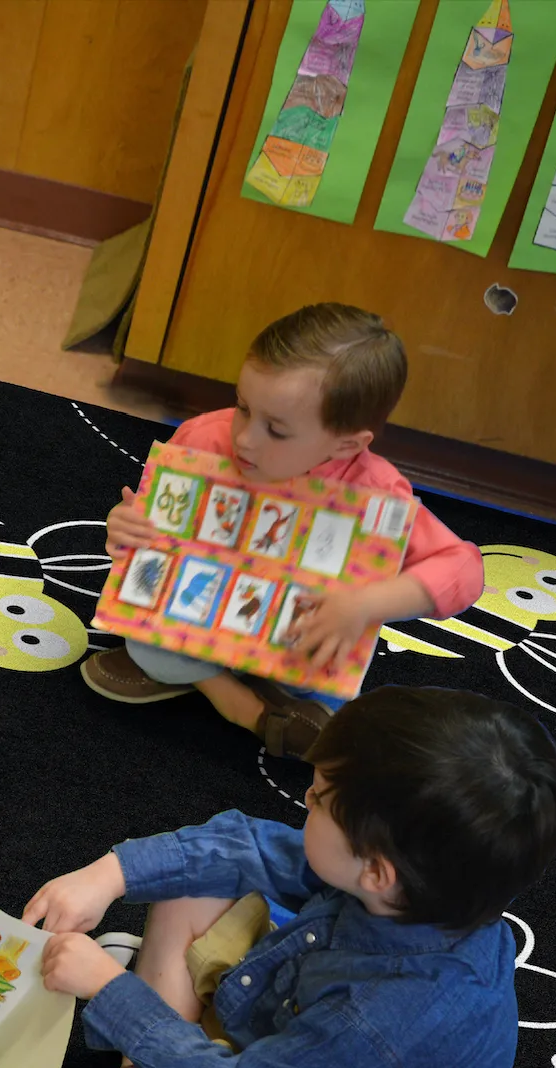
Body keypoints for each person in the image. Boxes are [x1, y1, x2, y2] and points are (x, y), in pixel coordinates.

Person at [21, 687, 556, 1068]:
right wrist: (109, 874)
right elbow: (249, 848)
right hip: (295, 1039)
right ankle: (163, 1052)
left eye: (322, 799)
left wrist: (112, 991)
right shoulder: (419, 892)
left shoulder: (382, 1022)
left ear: (376, 872)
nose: (306, 795)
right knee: (194, 884)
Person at [82, 303, 484, 758]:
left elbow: (465, 569)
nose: (245, 438)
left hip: (293, 640)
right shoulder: (204, 440)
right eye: (242, 406)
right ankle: (236, 703)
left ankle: (232, 686)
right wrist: (125, 530)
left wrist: (363, 604)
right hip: (201, 611)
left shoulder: (376, 494)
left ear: (346, 443)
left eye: (276, 429)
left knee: (324, 677)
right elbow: (154, 542)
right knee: (143, 637)